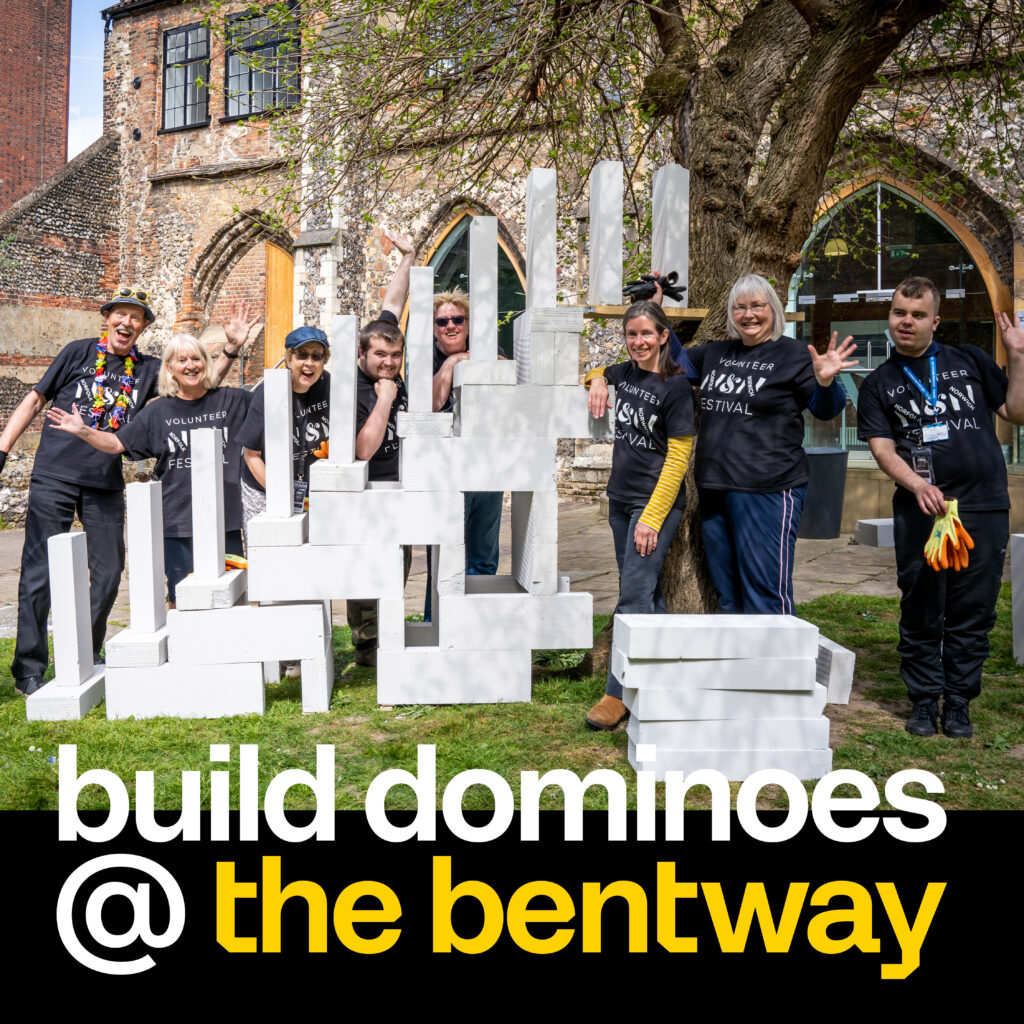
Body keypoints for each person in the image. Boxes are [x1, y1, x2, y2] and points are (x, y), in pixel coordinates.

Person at [0, 288, 254, 696]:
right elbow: (34, 400)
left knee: (109, 572)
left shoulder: (148, 369)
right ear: (107, 318)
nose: (126, 323)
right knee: (38, 571)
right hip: (55, 474)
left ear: (143, 326)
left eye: (135, 318)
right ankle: (28, 668)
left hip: (104, 480)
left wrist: (229, 350)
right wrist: (3, 447)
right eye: (120, 314)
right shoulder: (78, 353)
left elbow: (194, 387)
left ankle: (89, 648)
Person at [857, 277, 1024, 738]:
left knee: (975, 608)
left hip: (983, 506)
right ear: (889, 316)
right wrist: (915, 484)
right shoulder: (877, 383)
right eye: (898, 313)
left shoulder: (969, 359)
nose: (905, 322)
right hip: (922, 511)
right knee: (922, 605)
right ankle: (925, 701)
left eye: (916, 314)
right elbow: (882, 447)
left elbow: (1016, 411)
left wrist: (1020, 356)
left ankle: (959, 702)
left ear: (935, 320)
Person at [687, 272, 855, 615]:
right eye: (740, 307)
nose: (749, 315)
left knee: (765, 596)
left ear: (773, 309)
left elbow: (827, 411)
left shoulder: (793, 355)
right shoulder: (715, 353)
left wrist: (825, 382)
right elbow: (665, 362)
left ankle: (780, 667)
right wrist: (601, 377)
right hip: (715, 488)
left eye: (757, 306)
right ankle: (741, 666)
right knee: (729, 597)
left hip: (768, 490)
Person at [47, 333, 252, 607]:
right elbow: (117, 443)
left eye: (196, 358)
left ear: (206, 363)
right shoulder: (158, 413)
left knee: (232, 595)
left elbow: (271, 411)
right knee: (182, 600)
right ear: (170, 368)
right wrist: (84, 430)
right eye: (182, 360)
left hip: (224, 519)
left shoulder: (234, 400)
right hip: (178, 522)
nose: (190, 365)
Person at [236, 230, 416, 531]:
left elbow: (394, 305)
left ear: (325, 360)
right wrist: (282, 496)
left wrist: (408, 257)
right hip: (268, 491)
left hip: (315, 491)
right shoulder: (271, 393)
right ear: (289, 358)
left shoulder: (332, 387)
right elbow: (251, 455)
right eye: (301, 355)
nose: (308, 363)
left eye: (316, 356)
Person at [582, 301, 696, 730]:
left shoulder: (676, 387)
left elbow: (679, 455)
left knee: (632, 597)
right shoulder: (624, 374)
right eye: (632, 334)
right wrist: (596, 380)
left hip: (654, 506)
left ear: (664, 336)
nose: (639, 342)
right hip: (619, 500)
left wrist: (652, 515)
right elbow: (599, 371)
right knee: (645, 594)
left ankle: (617, 695)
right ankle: (663, 678)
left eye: (647, 334)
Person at [347, 317, 411, 666]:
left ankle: (388, 636)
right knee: (367, 569)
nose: (389, 362)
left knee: (399, 563)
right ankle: (366, 648)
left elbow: (392, 304)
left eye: (396, 355)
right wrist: (385, 399)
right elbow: (363, 449)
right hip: (366, 492)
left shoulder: (388, 373)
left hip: (399, 486)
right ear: (362, 352)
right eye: (381, 354)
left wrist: (407, 260)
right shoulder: (355, 388)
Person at [431, 287, 503, 578]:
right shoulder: (428, 358)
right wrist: (452, 362)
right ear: (434, 330)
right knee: (444, 554)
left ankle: (479, 622)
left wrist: (476, 361)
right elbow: (433, 404)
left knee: (483, 555)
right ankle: (435, 619)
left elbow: (504, 373)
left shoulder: (486, 348)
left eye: (458, 320)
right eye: (442, 322)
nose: (451, 326)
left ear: (469, 324)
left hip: (486, 463)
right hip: (445, 467)